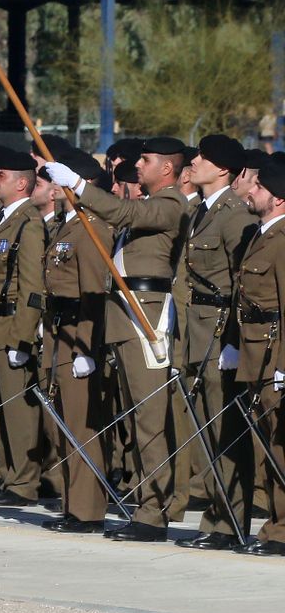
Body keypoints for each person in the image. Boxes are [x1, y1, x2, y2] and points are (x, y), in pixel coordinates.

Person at [42, 138, 188, 542]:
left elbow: (124, 211)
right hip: (124, 314)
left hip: (147, 319)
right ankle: (144, 504)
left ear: (168, 168)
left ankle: (153, 513)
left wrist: (80, 185)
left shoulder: (171, 203)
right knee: (138, 416)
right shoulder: (147, 204)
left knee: (149, 421)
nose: (138, 165)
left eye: (147, 160)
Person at [175, 135, 255, 549]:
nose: (195, 161)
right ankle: (216, 517)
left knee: (225, 429)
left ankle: (228, 523)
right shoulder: (198, 211)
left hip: (221, 330)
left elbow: (245, 283)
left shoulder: (234, 215)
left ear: (222, 169)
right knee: (205, 429)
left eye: (203, 157)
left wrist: (235, 342)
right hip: (197, 328)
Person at [37, 152, 113, 533]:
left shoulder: (91, 226)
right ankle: (72, 503)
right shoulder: (66, 226)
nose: (51, 188)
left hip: (77, 334)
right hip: (57, 332)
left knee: (81, 424)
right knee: (61, 423)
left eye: (56, 181)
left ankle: (87, 510)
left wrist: (87, 348)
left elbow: (94, 292)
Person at [0, 145, 45, 507]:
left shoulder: (28, 222)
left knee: (18, 411)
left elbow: (32, 287)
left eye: (0, 175)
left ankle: (24, 483)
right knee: (0, 407)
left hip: (11, 325)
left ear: (20, 183)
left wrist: (23, 337)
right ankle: (8, 474)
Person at [228, 156, 285, 556]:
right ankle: (274, 526)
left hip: (273, 352)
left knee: (280, 446)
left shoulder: (282, 240)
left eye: (261, 188)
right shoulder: (260, 234)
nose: (253, 192)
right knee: (266, 443)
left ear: (279, 198)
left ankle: (282, 530)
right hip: (254, 350)